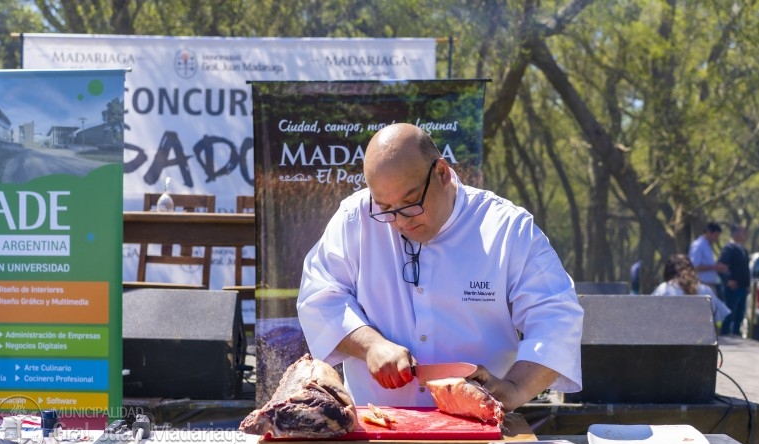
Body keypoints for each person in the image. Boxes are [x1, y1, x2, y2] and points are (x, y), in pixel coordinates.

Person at [297, 123, 583, 412]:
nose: (401, 221)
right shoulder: (354, 218)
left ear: (442, 173)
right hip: (376, 425)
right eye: (385, 208)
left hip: (479, 425)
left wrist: (513, 389)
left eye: (411, 202)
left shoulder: (507, 228)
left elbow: (556, 318)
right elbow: (320, 296)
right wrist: (370, 345)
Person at [651, 254, 731, 325]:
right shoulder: (705, 290)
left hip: (669, 337)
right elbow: (718, 315)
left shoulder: (664, 288)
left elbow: (651, 313)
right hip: (700, 339)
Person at [717, 224, 750, 336]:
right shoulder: (729, 248)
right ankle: (725, 337)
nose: (745, 234)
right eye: (742, 231)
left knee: (739, 316)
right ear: (735, 233)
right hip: (732, 289)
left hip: (742, 288)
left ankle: (736, 336)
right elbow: (721, 266)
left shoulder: (743, 250)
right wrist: (728, 280)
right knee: (729, 314)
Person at [688, 222, 724, 297]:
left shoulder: (707, 246)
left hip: (710, 285)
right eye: (715, 236)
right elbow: (694, 266)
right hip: (701, 285)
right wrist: (714, 267)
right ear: (708, 232)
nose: (716, 239)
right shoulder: (698, 245)